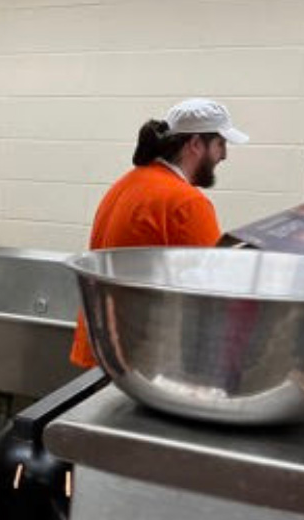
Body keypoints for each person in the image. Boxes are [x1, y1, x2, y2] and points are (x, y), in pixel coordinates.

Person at [70, 98, 249, 368]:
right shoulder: (186, 202)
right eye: (220, 144)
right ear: (196, 144)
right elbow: (212, 289)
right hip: (135, 360)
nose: (224, 155)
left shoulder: (128, 182)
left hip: (101, 350)